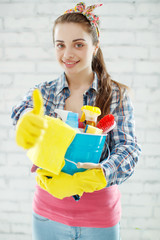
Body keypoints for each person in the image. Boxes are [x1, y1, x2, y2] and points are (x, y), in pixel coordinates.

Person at [11, 2, 141, 240]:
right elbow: (24, 108)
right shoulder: (45, 92)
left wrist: (101, 173)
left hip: (100, 218)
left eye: (78, 44)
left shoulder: (116, 95)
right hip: (47, 214)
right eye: (60, 45)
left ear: (95, 47)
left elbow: (129, 149)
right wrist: (26, 121)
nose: (67, 54)